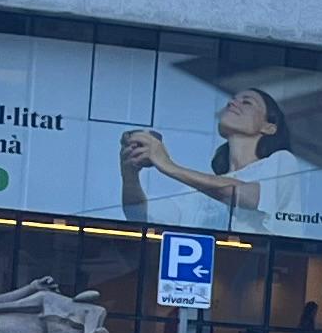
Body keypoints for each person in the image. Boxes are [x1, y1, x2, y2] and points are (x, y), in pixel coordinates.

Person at [122, 86, 303, 228]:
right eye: (232, 100)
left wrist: (166, 164)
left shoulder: (282, 162)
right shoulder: (197, 193)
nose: (232, 103)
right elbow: (139, 215)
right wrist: (130, 172)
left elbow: (245, 196)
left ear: (269, 127)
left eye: (247, 102)